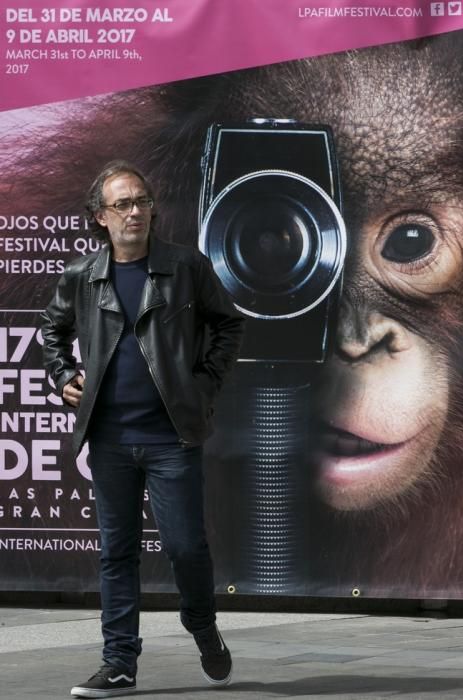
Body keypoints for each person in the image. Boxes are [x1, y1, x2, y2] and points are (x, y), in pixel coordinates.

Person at [41, 160, 245, 698]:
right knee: (117, 552)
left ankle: (202, 626)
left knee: (184, 547)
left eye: (142, 201)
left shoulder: (185, 267)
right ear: (99, 217)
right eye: (122, 204)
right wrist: (63, 375)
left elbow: (228, 324)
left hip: (170, 436)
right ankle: (119, 662)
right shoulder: (82, 275)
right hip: (108, 438)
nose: (135, 211)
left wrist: (202, 385)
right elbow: (51, 330)